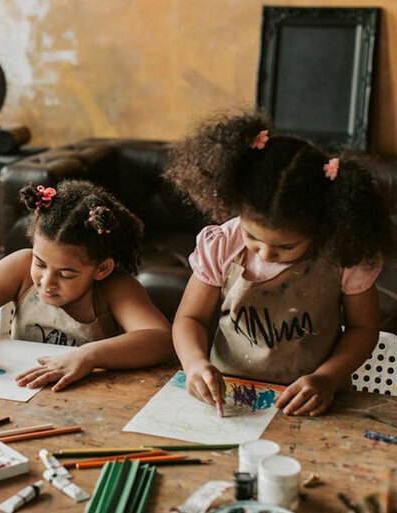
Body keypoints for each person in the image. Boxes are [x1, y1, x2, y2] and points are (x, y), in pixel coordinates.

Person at [167, 112, 393, 416]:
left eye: (286, 246)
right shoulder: (223, 244)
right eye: (252, 236)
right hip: (229, 397)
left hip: (311, 402)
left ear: (320, 226)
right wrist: (195, 364)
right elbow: (190, 318)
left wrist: (327, 378)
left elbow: (362, 328)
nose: (264, 254)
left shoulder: (344, 255)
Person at [0, 179, 173, 391]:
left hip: (91, 397)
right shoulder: (20, 269)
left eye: (66, 274)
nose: (46, 282)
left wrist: (89, 356)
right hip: (17, 390)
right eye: (40, 263)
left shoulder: (114, 288)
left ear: (101, 269)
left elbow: (161, 339)